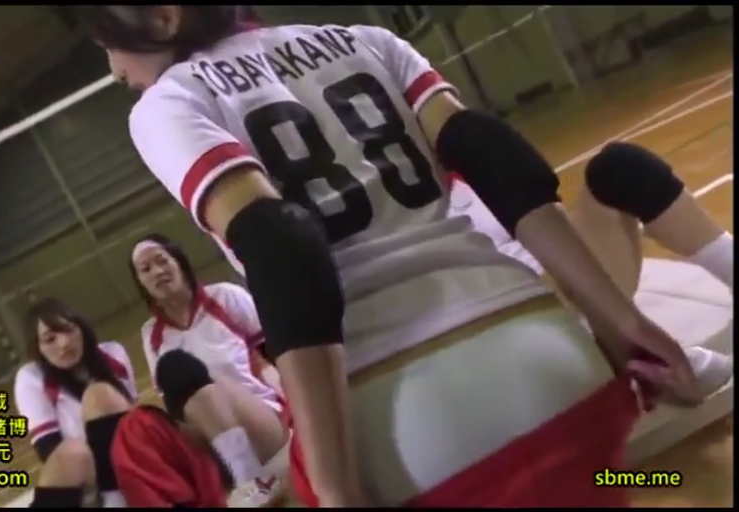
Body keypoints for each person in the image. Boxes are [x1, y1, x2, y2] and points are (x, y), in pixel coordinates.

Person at [75, 6, 719, 507]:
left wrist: (332, 485)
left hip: (410, 427)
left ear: (163, 17)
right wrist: (619, 320)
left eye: (108, 44)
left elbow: (282, 244)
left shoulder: (168, 103)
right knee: (617, 480)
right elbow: (493, 154)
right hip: (561, 370)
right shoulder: (367, 39)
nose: (113, 69)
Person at [446, 165, 733, 402]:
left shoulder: (470, 164)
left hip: (572, 286)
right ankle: (612, 347)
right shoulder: (425, 210)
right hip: (516, 313)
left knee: (617, 168)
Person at [130, 233, 290, 506]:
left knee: (198, 376)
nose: (157, 271)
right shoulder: (151, 335)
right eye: (145, 269)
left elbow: (275, 354)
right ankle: (236, 476)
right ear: (141, 283)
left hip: (261, 418)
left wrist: (300, 411)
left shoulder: (225, 297)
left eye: (162, 260)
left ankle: (251, 477)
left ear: (179, 262)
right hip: (211, 442)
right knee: (154, 411)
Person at [14, 298, 139, 508]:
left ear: (81, 328)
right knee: (72, 451)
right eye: (50, 339)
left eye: (68, 330)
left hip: (133, 464)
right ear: (37, 348)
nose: (64, 343)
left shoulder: (113, 354)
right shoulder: (32, 377)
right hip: (87, 481)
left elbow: (134, 422)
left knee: (99, 396)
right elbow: (49, 451)